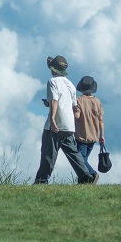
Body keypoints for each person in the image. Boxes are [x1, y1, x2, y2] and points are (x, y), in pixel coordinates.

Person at [34, 56, 95, 184]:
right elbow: (73, 106)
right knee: (73, 153)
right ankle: (85, 175)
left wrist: (52, 119)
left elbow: (55, 101)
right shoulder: (70, 85)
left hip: (56, 123)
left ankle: (41, 180)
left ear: (53, 69)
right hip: (69, 125)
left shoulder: (52, 82)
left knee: (48, 153)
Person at [74, 76, 104, 184]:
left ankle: (92, 174)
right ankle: (83, 181)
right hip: (94, 136)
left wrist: (73, 112)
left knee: (81, 160)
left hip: (82, 135)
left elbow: (77, 117)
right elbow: (101, 120)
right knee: (83, 159)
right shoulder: (97, 102)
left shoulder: (78, 100)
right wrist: (102, 136)